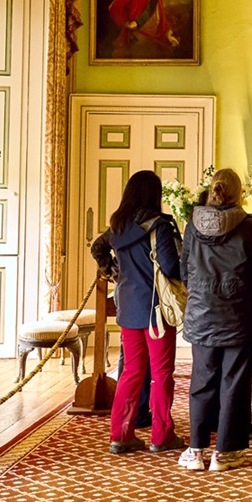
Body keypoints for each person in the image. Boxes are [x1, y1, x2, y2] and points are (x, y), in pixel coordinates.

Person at [178, 169, 252, 472]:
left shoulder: (192, 226)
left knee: (202, 380)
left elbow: (184, 271)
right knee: (234, 382)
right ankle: (226, 452)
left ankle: (195, 449)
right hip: (237, 313)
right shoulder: (250, 227)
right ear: (238, 191)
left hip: (201, 311)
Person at [89, 170, 183, 455]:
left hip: (128, 309)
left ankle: (121, 433)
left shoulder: (118, 227)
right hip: (156, 310)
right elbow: (170, 268)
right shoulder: (159, 226)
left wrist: (112, 270)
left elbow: (97, 247)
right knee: (162, 373)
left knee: (131, 372)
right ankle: (161, 434)